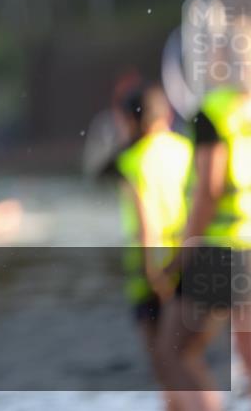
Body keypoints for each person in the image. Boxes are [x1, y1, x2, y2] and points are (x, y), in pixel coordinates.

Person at [155, 72, 251, 411]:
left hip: (221, 251)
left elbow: (209, 188)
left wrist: (183, 253)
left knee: (172, 351)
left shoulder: (213, 110)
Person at [107, 80, 190, 409]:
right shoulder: (186, 149)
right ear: (165, 114)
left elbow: (146, 225)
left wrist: (154, 276)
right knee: (188, 359)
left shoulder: (133, 160)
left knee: (166, 366)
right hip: (190, 260)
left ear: (131, 120)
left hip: (153, 270)